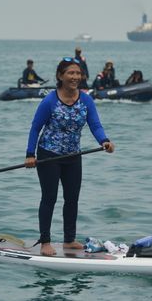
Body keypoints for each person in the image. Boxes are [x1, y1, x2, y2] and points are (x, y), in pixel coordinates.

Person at [25, 57, 115, 256]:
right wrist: (30, 154)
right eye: (70, 73)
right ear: (60, 76)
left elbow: (95, 125)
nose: (75, 77)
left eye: (78, 73)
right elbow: (35, 128)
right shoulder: (49, 100)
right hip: (49, 155)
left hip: (74, 155)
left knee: (72, 198)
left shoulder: (86, 100)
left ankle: (69, 239)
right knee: (49, 198)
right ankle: (45, 241)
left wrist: (104, 141)